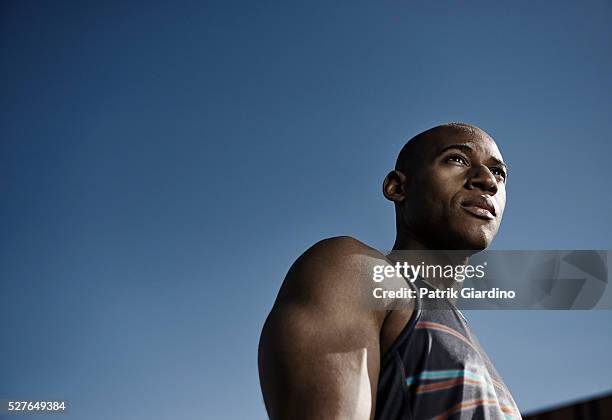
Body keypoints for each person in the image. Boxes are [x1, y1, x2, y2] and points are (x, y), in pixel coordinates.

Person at [258, 123, 522, 419]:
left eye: (498, 172)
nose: (488, 181)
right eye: (456, 159)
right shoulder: (354, 271)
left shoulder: (477, 354)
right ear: (397, 187)